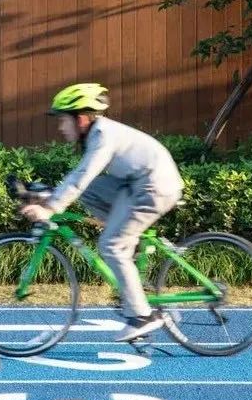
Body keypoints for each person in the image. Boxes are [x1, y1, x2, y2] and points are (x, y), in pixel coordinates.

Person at [20, 82, 184, 342]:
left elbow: (83, 174)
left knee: (112, 245)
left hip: (154, 188)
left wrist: (50, 208)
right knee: (91, 192)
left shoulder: (104, 136)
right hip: (135, 185)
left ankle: (143, 316)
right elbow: (81, 180)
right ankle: (131, 240)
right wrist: (48, 196)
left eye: (63, 120)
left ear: (82, 118)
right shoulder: (97, 134)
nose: (60, 128)